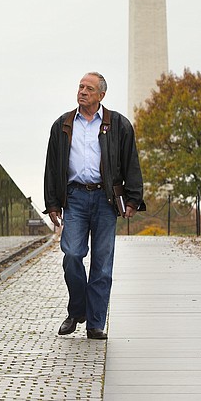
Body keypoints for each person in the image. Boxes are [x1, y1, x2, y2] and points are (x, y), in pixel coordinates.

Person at [43, 72, 144, 340]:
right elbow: (52, 166)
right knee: (72, 254)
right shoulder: (63, 124)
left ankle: (95, 323)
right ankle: (78, 309)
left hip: (105, 200)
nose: (83, 91)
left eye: (89, 88)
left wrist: (133, 198)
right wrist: (52, 203)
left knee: (102, 264)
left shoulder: (119, 124)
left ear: (101, 95)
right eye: (80, 86)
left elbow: (130, 161)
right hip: (74, 197)